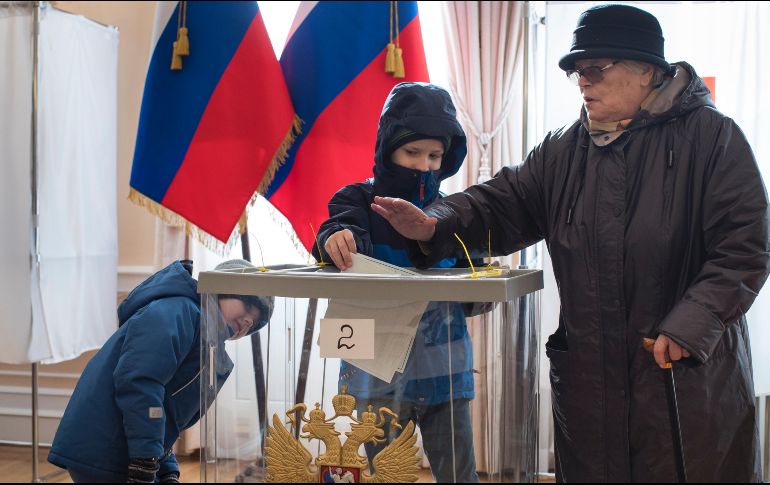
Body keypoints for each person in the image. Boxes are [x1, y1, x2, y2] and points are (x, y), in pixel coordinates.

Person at [370, 4, 769, 483]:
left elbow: (744, 247)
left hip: (682, 376)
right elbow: (500, 203)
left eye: (595, 70)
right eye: (576, 72)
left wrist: (689, 326)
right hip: (591, 387)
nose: (583, 82)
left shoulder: (713, 138)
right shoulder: (563, 149)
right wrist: (435, 222)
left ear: (646, 70)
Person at [312, 82, 483, 483]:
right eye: (412, 152)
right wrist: (333, 238)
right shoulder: (356, 200)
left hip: (444, 367)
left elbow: (474, 269)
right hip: (375, 368)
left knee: (459, 473)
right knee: (383, 474)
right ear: (388, 149)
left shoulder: (454, 211)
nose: (425, 165)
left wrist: (484, 276)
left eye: (435, 155)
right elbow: (333, 232)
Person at [48, 259, 274, 483]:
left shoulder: (209, 345)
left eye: (254, 324)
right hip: (105, 447)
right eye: (248, 305)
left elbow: (165, 410)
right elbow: (141, 384)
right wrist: (145, 460)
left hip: (127, 449)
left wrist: (166, 466)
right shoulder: (177, 311)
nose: (246, 322)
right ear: (224, 286)